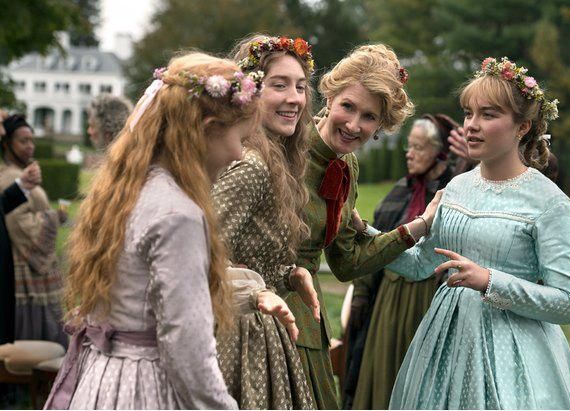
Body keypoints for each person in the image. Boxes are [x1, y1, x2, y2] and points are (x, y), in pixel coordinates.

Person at [43, 52, 293, 410]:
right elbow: (187, 349)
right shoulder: (179, 215)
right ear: (207, 129)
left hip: (102, 378)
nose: (240, 155)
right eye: (240, 138)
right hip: (143, 388)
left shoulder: (128, 190)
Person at [382, 57, 570, 409]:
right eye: (468, 113)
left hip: (516, 355)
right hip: (445, 344)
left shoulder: (550, 203)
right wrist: (360, 233)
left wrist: (490, 281)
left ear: (522, 127)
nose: (472, 126)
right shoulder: (456, 188)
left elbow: (566, 303)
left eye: (488, 115)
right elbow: (420, 265)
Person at [284, 44, 442, 409]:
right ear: (329, 97)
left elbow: (347, 263)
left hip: (306, 315)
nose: (354, 125)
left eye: (369, 117)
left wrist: (418, 227)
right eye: (348, 106)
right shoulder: (286, 146)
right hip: (260, 309)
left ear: (381, 126)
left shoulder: (348, 167)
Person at [212, 34, 317, 409]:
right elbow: (203, 254)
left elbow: (250, 250)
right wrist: (255, 293)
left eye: (300, 87)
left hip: (259, 325)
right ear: (250, 93)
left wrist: (289, 274)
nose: (295, 98)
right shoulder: (251, 165)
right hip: (238, 333)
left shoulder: (275, 160)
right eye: (280, 85)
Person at [344, 114, 466, 410]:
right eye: (409, 146)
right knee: (382, 372)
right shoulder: (398, 193)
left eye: (419, 147)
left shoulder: (453, 193)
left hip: (427, 299)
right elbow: (374, 247)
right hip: (388, 301)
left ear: (440, 153)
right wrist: (361, 294)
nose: (409, 154)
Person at [0, 114, 68, 347]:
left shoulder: (20, 174)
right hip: (25, 268)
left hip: (33, 270)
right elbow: (17, 222)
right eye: (23, 141)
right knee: (32, 337)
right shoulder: (9, 176)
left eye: (32, 140)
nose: (30, 146)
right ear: (7, 144)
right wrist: (52, 219)